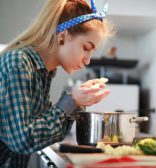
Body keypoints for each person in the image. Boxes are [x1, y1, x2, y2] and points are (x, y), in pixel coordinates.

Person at [0, 0, 114, 167]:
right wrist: (70, 102)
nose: (87, 60)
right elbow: (23, 140)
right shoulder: (19, 63)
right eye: (85, 47)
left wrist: (75, 102)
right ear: (63, 37)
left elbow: (43, 134)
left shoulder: (44, 72)